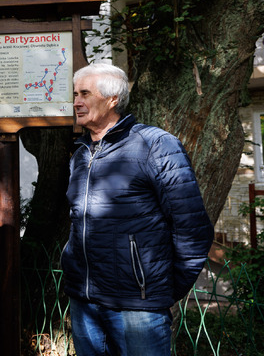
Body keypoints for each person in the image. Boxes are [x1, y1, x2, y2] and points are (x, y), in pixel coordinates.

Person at [60, 63, 213, 356]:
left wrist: (160, 289)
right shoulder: (80, 153)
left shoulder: (155, 145)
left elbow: (192, 228)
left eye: (85, 94)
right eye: (75, 94)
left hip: (138, 305)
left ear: (112, 99)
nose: (76, 101)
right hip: (84, 300)